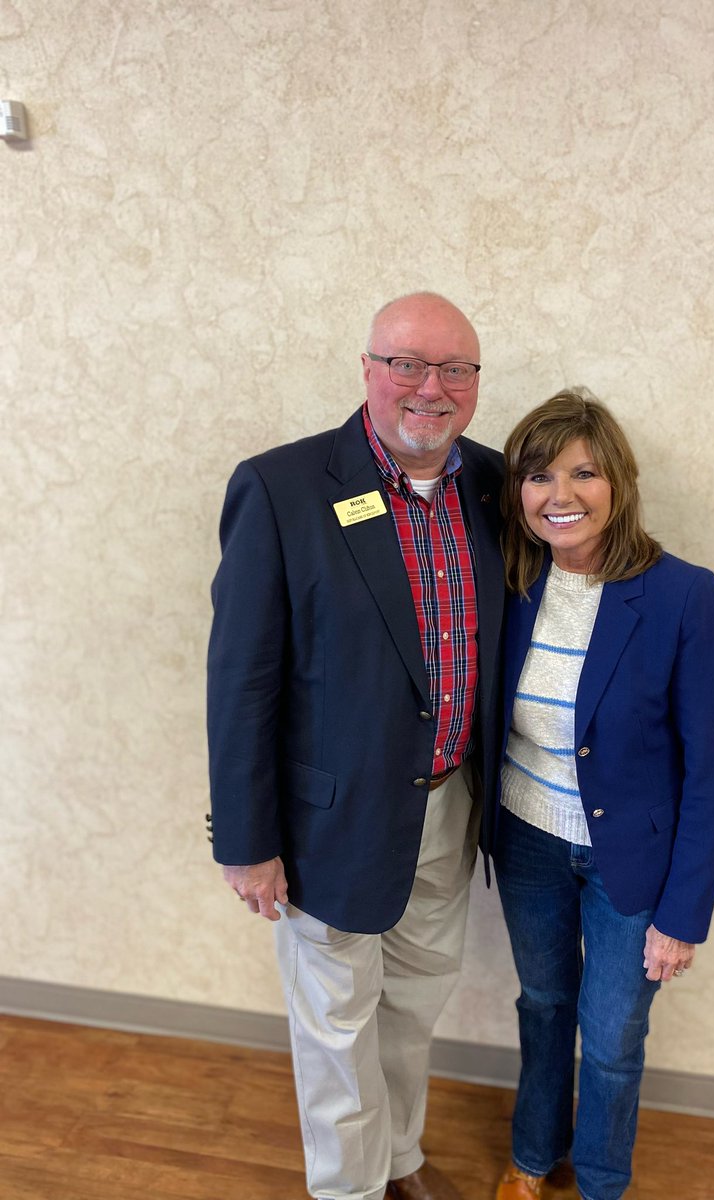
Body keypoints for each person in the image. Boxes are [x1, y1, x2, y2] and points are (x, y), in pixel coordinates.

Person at [206, 292, 505, 1200]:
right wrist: (247, 842)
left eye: (456, 368)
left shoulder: (495, 484)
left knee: (412, 1008)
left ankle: (400, 1160)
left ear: (476, 384)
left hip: (448, 807)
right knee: (336, 1023)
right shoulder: (284, 487)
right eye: (408, 364)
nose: (431, 387)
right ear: (368, 370)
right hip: (327, 820)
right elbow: (241, 679)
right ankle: (349, 1189)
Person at [492, 389, 714, 1200]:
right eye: (538, 476)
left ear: (618, 483)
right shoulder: (512, 578)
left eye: (582, 473)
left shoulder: (680, 594)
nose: (559, 495)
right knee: (542, 1004)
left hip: (632, 860)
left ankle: (600, 1182)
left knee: (610, 1037)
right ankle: (533, 1158)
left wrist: (683, 912)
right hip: (526, 837)